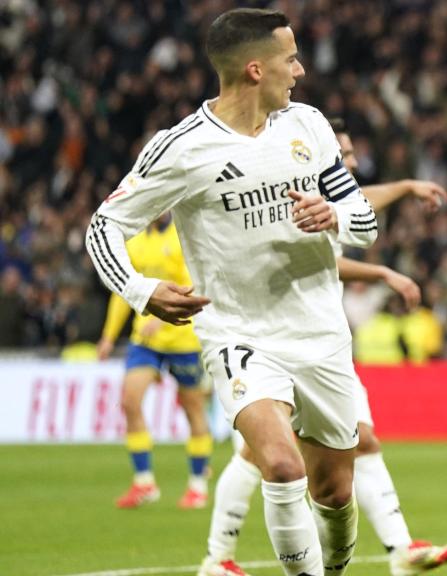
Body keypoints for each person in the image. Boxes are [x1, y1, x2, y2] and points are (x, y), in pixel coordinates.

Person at [86, 9, 376, 575]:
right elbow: (104, 226)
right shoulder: (182, 148)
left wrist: (335, 214)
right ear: (253, 70)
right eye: (289, 59)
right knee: (282, 467)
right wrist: (141, 291)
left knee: (336, 492)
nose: (299, 70)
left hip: (319, 333)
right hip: (238, 333)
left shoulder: (310, 126)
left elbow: (363, 219)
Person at [198, 120, 447, 576]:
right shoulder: (286, 192)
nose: (352, 162)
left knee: (359, 441)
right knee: (261, 455)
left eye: (353, 153)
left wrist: (402, 187)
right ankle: (218, 557)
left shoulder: (330, 199)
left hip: (321, 347)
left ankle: (400, 549)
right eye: (345, 153)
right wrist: (382, 274)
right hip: (266, 343)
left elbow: (357, 204)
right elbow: (320, 259)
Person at [97, 213, 212, 510]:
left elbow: (195, 287)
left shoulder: (182, 236)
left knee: (193, 409)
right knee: (129, 401)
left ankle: (198, 485)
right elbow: (124, 292)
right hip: (144, 341)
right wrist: (109, 336)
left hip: (182, 338)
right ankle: (144, 483)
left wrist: (160, 322)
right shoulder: (134, 241)